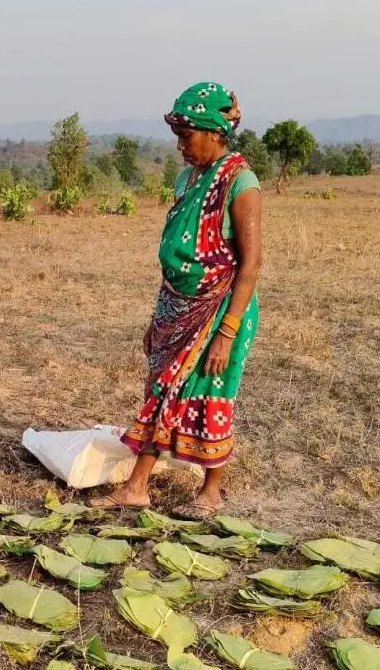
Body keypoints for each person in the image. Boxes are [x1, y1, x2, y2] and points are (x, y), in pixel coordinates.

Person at [92, 82, 262, 519]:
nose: (181, 146)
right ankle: (138, 487)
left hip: (220, 308)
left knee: (210, 394)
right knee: (160, 392)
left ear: (214, 132)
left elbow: (251, 262)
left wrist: (226, 333)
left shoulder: (240, 182)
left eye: (187, 136)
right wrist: (157, 317)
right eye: (178, 136)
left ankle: (211, 492)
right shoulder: (187, 178)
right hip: (175, 307)